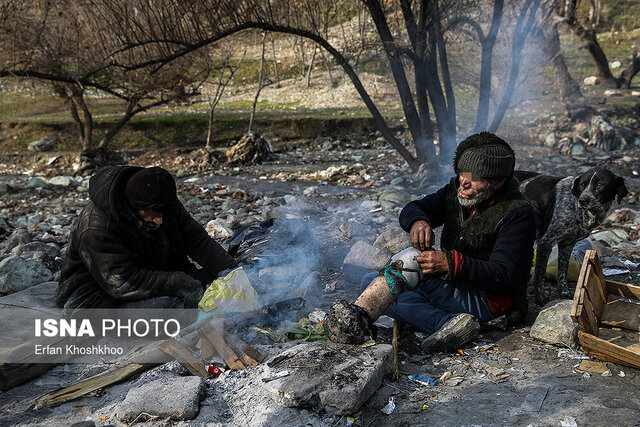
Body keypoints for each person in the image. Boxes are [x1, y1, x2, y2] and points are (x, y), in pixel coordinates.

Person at [360, 132, 537, 352]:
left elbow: (504, 275)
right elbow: (415, 208)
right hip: (452, 285)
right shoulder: (457, 192)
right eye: (463, 172)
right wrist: (418, 222)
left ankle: (442, 324)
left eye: (475, 177)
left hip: (488, 299)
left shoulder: (518, 213)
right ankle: (453, 322)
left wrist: (452, 264)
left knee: (406, 267)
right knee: (371, 282)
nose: (464, 181)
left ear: (498, 182)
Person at [56, 166, 237, 309]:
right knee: (168, 311)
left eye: (162, 214)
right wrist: (179, 282)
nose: (159, 220)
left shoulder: (164, 204)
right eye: (150, 214)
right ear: (134, 206)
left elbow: (197, 240)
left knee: (216, 284)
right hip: (98, 296)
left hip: (154, 271)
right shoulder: (96, 225)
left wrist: (234, 273)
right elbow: (121, 282)